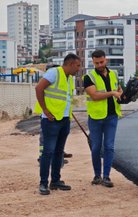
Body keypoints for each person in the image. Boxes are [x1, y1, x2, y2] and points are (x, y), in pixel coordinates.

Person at [34, 53, 81, 195]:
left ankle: (55, 180)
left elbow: (64, 98)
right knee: (47, 152)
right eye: (78, 66)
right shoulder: (54, 72)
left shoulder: (69, 79)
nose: (79, 69)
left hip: (64, 119)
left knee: (59, 152)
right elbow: (39, 88)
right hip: (51, 120)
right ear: (71, 64)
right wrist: (45, 110)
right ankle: (43, 183)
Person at [83, 49, 122, 188]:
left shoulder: (114, 74)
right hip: (96, 117)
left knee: (109, 147)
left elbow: (119, 89)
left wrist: (122, 94)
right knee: (96, 147)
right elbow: (94, 95)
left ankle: (106, 176)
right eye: (96, 63)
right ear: (92, 62)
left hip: (112, 116)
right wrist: (112, 93)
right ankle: (97, 175)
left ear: (106, 60)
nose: (99, 65)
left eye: (101, 62)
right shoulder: (88, 77)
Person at [37, 64, 72, 165]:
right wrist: (46, 110)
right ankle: (42, 157)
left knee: (56, 140)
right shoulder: (49, 80)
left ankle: (57, 157)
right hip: (48, 114)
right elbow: (40, 91)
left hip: (58, 113)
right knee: (45, 138)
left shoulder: (65, 79)